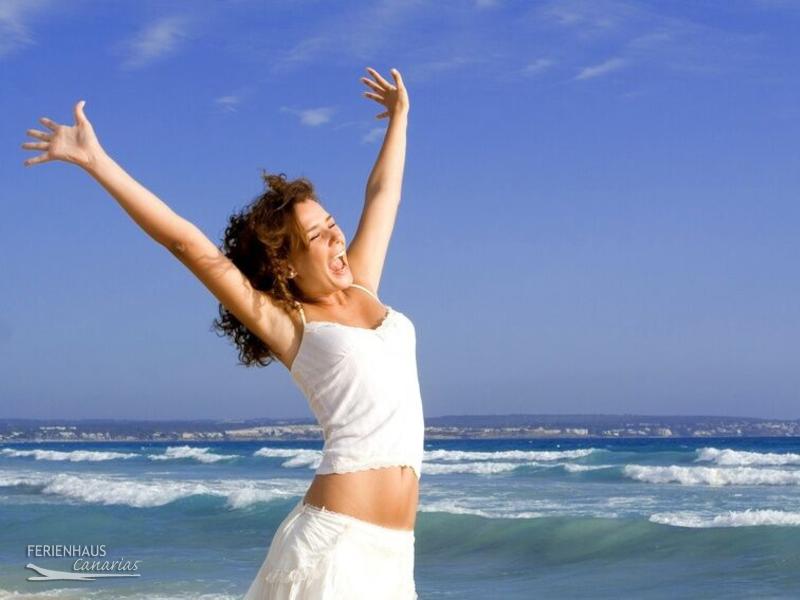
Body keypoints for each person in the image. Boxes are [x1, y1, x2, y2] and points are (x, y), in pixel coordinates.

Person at [21, 66, 422, 599]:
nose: (336, 239)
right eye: (316, 238)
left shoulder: (364, 288)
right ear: (286, 264)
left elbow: (383, 194)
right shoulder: (290, 325)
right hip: (337, 548)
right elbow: (188, 244)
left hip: (395, 556)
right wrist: (96, 161)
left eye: (332, 225)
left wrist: (399, 117)